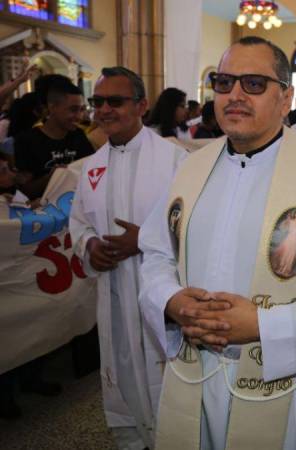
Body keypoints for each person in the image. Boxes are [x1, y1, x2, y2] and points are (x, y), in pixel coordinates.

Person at [138, 36, 296, 450]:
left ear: (285, 98)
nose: (234, 95)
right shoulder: (189, 169)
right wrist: (172, 301)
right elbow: (157, 253)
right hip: (192, 370)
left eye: (253, 84)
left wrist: (264, 327)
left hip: (279, 382)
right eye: (224, 82)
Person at [69, 66, 187, 450]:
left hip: (157, 293)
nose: (104, 109)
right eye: (98, 101)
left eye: (115, 101)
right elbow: (79, 221)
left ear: (141, 105)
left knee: (161, 379)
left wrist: (146, 240)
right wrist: (89, 246)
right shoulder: (91, 166)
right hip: (114, 292)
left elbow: (198, 222)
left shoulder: (175, 160)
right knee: (119, 374)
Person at [14, 79, 94, 199]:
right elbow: (24, 191)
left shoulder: (78, 135)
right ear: (52, 107)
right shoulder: (27, 141)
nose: (79, 116)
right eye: (73, 109)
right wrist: (52, 177)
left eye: (81, 109)